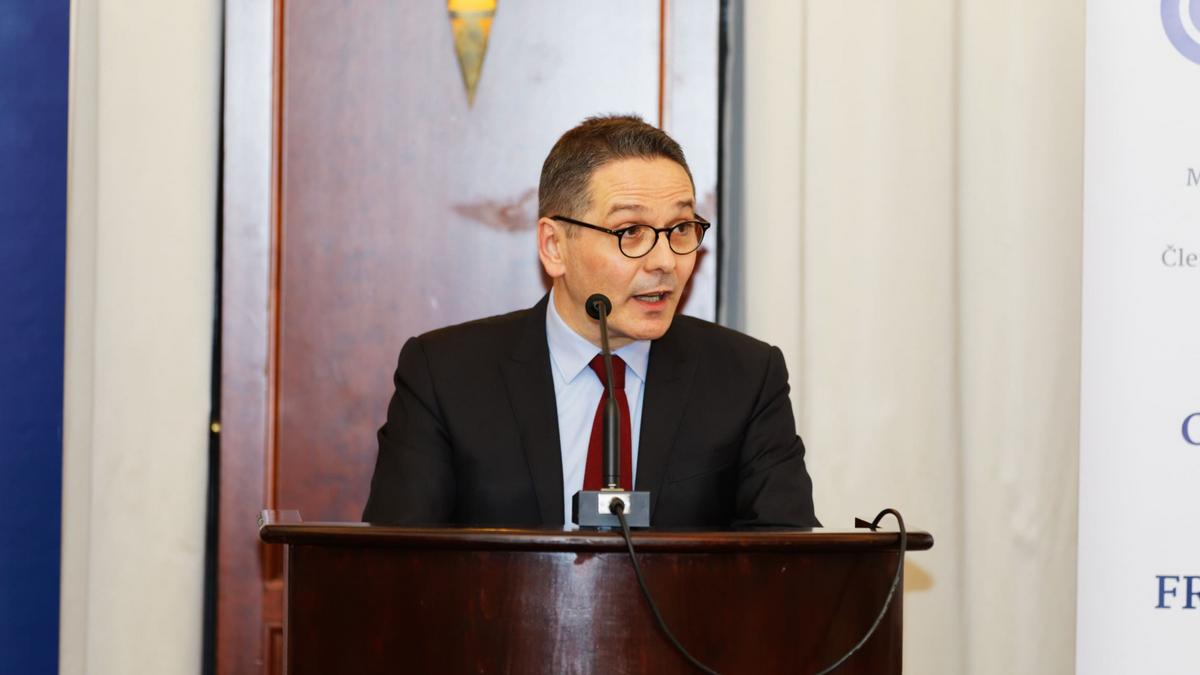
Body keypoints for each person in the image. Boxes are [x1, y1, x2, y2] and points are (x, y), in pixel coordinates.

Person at [363, 115, 817, 528]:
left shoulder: (745, 378)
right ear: (554, 246)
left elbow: (788, 560)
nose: (665, 261)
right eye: (630, 232)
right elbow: (397, 565)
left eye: (680, 229)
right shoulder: (445, 375)